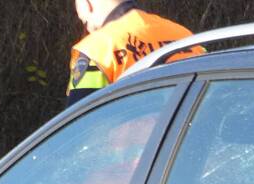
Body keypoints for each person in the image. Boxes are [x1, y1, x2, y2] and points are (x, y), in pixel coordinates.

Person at [67, 0, 203, 108]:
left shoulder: (95, 49)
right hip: (189, 139)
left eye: (84, 21)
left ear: (87, 4)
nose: (87, 29)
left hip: (129, 141)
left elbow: (77, 120)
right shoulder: (186, 36)